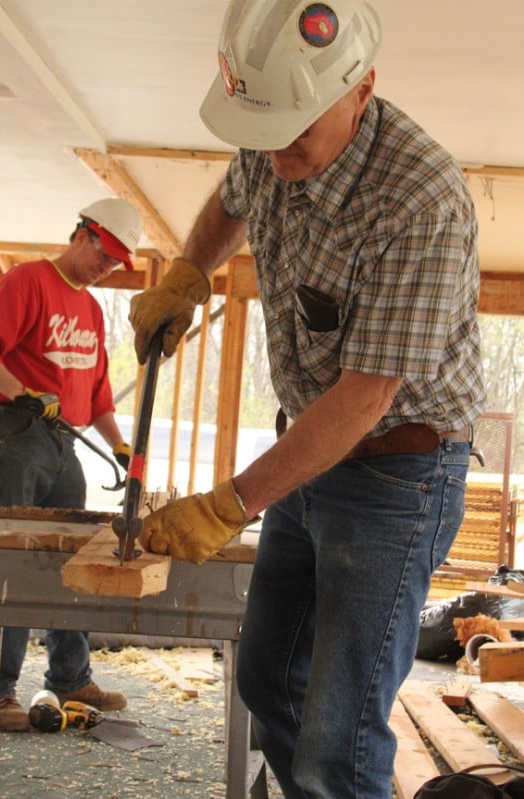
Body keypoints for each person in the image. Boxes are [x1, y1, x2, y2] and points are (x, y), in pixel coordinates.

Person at [129, 2, 486, 797]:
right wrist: (189, 275)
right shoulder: (269, 131)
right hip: (313, 451)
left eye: (297, 133)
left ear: (361, 90)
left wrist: (231, 502)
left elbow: (364, 398)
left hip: (398, 470)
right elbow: (231, 201)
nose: (277, 153)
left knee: (340, 731)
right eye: (265, 131)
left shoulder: (418, 199)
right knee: (265, 678)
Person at [0, 197, 142, 732]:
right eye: (106, 253)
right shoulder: (27, 281)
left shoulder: (92, 309)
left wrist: (121, 445)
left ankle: (70, 676)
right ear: (84, 234)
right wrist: (23, 393)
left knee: (71, 560)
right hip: (15, 432)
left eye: (117, 261)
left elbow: (97, 393)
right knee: (9, 561)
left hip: (64, 441)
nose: (109, 266)